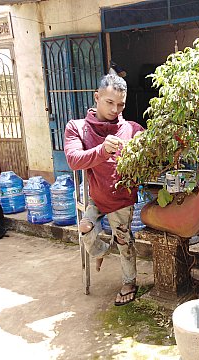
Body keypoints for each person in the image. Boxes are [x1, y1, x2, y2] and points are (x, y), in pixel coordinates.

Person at [64, 74, 144, 306]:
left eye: (120, 105)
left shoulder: (132, 129)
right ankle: (101, 252)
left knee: (124, 242)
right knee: (85, 228)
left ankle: (129, 282)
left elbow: (152, 153)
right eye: (109, 102)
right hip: (97, 197)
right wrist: (102, 150)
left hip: (122, 199)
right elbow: (73, 159)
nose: (115, 109)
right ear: (96, 97)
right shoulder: (77, 127)